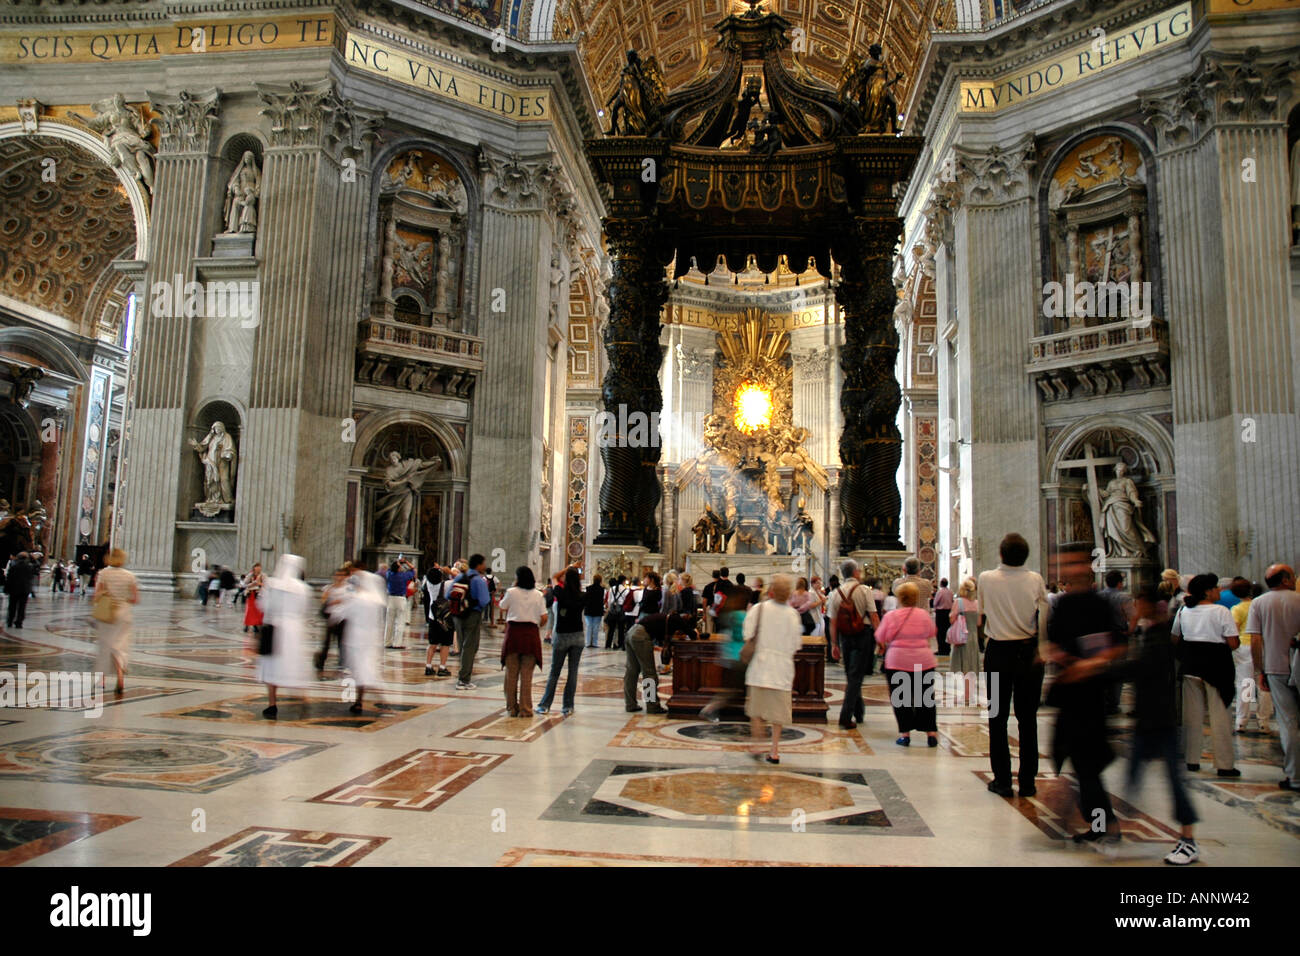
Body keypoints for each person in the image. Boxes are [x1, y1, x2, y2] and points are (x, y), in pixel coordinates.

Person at [1045, 549, 1127, 849]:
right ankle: (1099, 821)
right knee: (1075, 760)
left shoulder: (1100, 603)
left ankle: (1104, 823)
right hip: (1069, 692)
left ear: (1087, 570)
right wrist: (1058, 657)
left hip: (1091, 693)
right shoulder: (1064, 604)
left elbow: (1116, 646)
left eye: (1072, 564)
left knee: (1086, 762)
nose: (1067, 569)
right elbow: (1053, 642)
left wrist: (1087, 666)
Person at [1114, 585, 1200, 864]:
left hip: (1160, 720)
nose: (1131, 609)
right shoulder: (1152, 634)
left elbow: (1138, 670)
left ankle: (1188, 840)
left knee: (1175, 781)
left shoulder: (1160, 638)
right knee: (1133, 777)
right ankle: (1114, 830)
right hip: (1148, 718)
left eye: (1135, 604)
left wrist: (1095, 669)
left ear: (1146, 606)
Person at [977, 532, 1049, 799]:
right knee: (1027, 719)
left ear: (1001, 554)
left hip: (998, 652)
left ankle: (1003, 781)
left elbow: (981, 615)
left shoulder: (986, 578)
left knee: (997, 718)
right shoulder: (1035, 579)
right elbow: (1042, 616)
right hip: (1028, 653)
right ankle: (1028, 782)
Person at [1173, 573, 1240, 777]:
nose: (1219, 591)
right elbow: (1233, 643)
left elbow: (1175, 637)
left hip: (1191, 664)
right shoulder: (1220, 611)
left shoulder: (1185, 610)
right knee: (1220, 716)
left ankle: (1191, 759)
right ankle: (1224, 764)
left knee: (1192, 716)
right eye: (1217, 588)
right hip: (1216, 666)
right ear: (1208, 591)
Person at [1244, 563, 1300, 790]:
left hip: (1275, 667)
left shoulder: (1258, 603)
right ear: (1286, 579)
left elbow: (1255, 640)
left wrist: (1259, 670)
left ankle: (1295, 776)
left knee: (1288, 722)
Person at [743, 574, 803, 764]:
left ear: (771, 590)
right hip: (782, 667)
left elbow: (747, 634)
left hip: (760, 665)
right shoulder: (793, 615)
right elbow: (796, 644)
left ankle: (757, 743)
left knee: (756, 709)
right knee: (778, 713)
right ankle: (774, 750)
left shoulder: (759, 609)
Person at [877, 581, 940, 747]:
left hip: (898, 661)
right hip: (923, 660)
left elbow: (880, 636)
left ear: (899, 597)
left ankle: (905, 734)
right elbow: (932, 632)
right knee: (925, 697)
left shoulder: (891, 616)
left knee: (901, 698)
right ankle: (931, 734)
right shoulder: (923, 614)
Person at [258, 554, 312, 718]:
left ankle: (272, 703)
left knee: (270, 666)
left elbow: (262, 605)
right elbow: (304, 609)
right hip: (294, 630)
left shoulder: (272, 584)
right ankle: (302, 698)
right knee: (294, 664)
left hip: (274, 627)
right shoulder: (303, 588)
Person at [827, 559, 879, 729]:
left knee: (852, 674)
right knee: (856, 676)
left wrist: (834, 644)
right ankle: (845, 715)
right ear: (856, 572)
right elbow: (873, 616)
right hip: (863, 634)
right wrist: (880, 639)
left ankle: (859, 711)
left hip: (844, 637)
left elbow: (832, 623)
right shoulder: (864, 590)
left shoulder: (835, 593)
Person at [499, 565, 545, 718]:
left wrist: (512, 588)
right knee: (527, 675)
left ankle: (512, 707)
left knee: (511, 673)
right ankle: (526, 709)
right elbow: (544, 617)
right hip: (530, 634)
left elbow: (502, 606)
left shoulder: (512, 592)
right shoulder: (538, 594)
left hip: (513, 635)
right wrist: (538, 624)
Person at [538, 566, 586, 715]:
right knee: (573, 673)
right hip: (578, 635)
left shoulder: (560, 591)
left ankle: (545, 705)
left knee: (555, 672)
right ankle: (568, 706)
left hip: (562, 635)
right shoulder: (583, 595)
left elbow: (554, 577)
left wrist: (569, 568)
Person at [92, 548, 138, 694]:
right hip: (124, 613)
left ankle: (102, 680)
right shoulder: (130, 576)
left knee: (106, 647)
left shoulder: (103, 573)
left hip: (107, 613)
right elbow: (135, 599)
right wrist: (123, 598)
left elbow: (96, 596)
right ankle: (120, 677)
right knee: (120, 647)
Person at [341, 563, 386, 713]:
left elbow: (339, 613)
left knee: (361, 671)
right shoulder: (376, 600)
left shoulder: (358, 598)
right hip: (371, 639)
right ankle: (360, 700)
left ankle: (377, 699)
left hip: (356, 639)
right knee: (366, 669)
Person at [701, 585, 748, 721]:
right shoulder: (742, 616)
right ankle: (710, 709)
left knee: (732, 688)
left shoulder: (729, 614)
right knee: (733, 689)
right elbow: (745, 636)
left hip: (728, 654)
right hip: (739, 655)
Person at [1226, 578, 1262, 733]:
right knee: (1263, 683)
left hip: (1244, 646)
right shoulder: (1259, 605)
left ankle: (1242, 720)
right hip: (1261, 644)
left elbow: (1234, 629)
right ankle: (1264, 720)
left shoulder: (1237, 609)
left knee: (1246, 682)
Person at [452, 554, 490, 690]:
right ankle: (463, 679)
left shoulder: (459, 576)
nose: (485, 566)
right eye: (483, 563)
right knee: (470, 647)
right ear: (479, 565)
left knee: (463, 646)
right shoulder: (479, 580)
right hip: (472, 615)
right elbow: (485, 600)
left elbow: (448, 594)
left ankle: (462, 675)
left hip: (458, 615)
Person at [624, 612, 666, 714]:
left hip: (631, 632)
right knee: (649, 673)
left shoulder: (663, 617)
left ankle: (630, 704)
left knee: (631, 671)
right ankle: (652, 706)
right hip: (641, 636)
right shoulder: (675, 620)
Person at [949, 577, 982, 703]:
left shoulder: (959, 602)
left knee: (962, 664)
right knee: (972, 665)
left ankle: (965, 694)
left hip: (961, 636)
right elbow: (979, 623)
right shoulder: (977, 603)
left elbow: (952, 620)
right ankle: (970, 693)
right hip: (973, 637)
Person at [317, 565, 350, 677]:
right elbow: (323, 601)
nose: (339, 577)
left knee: (343, 643)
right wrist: (330, 601)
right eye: (338, 575)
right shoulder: (328, 588)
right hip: (331, 618)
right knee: (326, 643)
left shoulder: (348, 588)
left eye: (342, 575)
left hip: (343, 618)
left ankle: (343, 664)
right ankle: (320, 664)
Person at [423, 566, 454, 677]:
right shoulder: (446, 584)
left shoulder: (428, 584)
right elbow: (458, 578)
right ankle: (442, 667)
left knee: (432, 643)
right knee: (445, 644)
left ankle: (428, 666)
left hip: (433, 617)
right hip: (445, 618)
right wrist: (448, 571)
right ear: (441, 577)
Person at [383, 557, 415, 649]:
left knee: (389, 621)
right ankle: (397, 643)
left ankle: (387, 642)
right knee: (400, 622)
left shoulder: (389, 574)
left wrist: (397, 562)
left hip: (390, 598)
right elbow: (413, 569)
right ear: (398, 569)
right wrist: (406, 562)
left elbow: (389, 569)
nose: (401, 567)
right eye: (400, 566)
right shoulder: (403, 576)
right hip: (400, 599)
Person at [4, 551, 35, 628]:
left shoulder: (14, 567)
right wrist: (33, 558)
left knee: (12, 606)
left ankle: (10, 621)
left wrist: (6, 589)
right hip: (24, 590)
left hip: (14, 589)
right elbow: (37, 567)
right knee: (22, 607)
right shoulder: (29, 567)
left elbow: (9, 579)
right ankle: (19, 622)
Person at [607, 575, 632, 650]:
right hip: (621, 609)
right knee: (621, 628)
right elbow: (626, 601)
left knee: (611, 628)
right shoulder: (626, 590)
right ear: (624, 581)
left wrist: (610, 608)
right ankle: (620, 644)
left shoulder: (612, 588)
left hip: (613, 609)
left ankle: (608, 644)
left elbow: (609, 600)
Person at [582, 573, 606, 649]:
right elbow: (603, 600)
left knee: (589, 626)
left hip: (589, 609)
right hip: (597, 610)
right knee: (596, 627)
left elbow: (585, 598)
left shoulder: (588, 588)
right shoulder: (602, 590)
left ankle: (588, 642)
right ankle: (595, 643)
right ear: (600, 580)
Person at [932, 577, 954, 655]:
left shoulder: (940, 592)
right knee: (947, 631)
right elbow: (952, 601)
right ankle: (947, 649)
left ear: (941, 584)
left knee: (940, 632)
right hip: (948, 612)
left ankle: (941, 649)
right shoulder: (951, 592)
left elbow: (935, 603)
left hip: (940, 613)